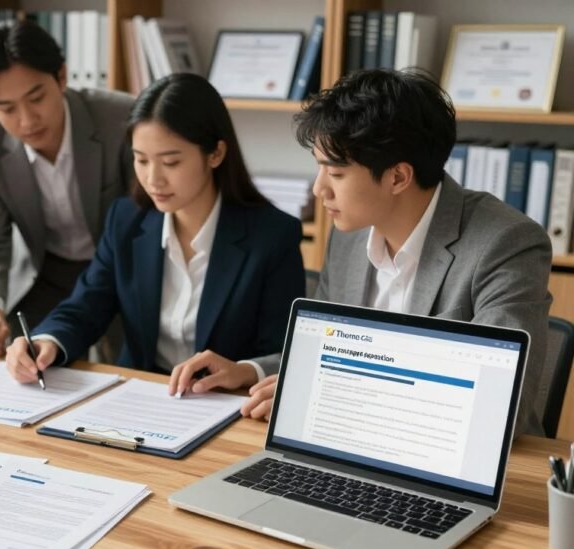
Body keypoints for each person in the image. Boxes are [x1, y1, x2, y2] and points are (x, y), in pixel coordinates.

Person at [203, 69, 552, 435]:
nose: (319, 190)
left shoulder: (506, 243)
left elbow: (498, 403)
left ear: (398, 177)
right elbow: (323, 354)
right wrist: (250, 371)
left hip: (474, 469)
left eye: (335, 174)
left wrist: (334, 397)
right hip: (353, 443)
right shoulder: (349, 235)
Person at [4, 73, 305, 384]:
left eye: (171, 162)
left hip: (229, 405)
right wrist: (47, 341)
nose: (153, 179)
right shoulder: (126, 220)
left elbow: (286, 352)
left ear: (215, 154)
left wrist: (245, 371)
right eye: (141, 160)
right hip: (141, 397)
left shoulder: (273, 236)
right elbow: (86, 306)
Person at [0, 19, 134, 356]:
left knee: (131, 370)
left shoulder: (121, 119)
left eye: (36, 97)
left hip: (120, 273)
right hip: (44, 275)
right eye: (5, 108)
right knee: (17, 363)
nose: (26, 120)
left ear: (62, 77)